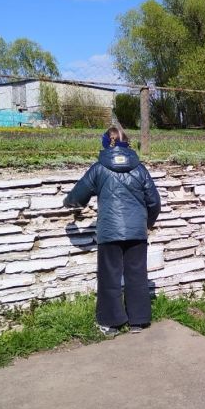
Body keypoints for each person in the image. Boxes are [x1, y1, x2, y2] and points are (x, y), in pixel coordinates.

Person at [64, 125, 161, 336]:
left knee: (110, 276)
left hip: (109, 232)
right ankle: (139, 321)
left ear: (105, 143)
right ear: (127, 142)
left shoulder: (99, 168)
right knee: (137, 275)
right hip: (136, 233)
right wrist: (148, 223)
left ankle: (111, 323)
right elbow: (154, 201)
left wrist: (68, 204)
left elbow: (78, 196)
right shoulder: (139, 169)